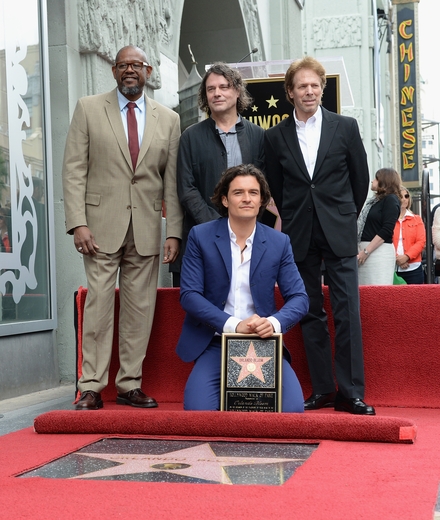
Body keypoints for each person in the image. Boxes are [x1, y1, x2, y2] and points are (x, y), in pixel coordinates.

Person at [62, 45, 183, 410]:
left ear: (148, 72)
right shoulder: (88, 108)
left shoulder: (169, 119)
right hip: (99, 229)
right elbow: (73, 170)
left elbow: (171, 181)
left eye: (137, 65)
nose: (130, 70)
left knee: (139, 309)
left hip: (146, 228)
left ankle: (130, 383)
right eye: (123, 65)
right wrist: (77, 223)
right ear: (114, 71)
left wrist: (173, 231)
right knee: (98, 304)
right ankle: (91, 387)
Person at [264, 56, 375, 415]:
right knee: (310, 311)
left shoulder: (345, 127)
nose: (309, 91)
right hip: (299, 234)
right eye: (301, 86)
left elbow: (360, 181)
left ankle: (351, 392)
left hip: (338, 231)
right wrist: (297, 218)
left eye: (315, 85)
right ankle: (323, 389)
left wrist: (342, 216)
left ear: (322, 89)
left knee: (347, 312)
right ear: (290, 93)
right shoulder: (275, 136)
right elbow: (276, 190)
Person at [176, 164, 309, 412]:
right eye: (238, 193)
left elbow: (300, 298)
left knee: (293, 412)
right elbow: (190, 296)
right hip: (216, 342)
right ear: (225, 200)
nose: (246, 198)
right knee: (198, 413)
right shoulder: (200, 236)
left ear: (262, 201)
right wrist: (234, 325)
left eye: (253, 193)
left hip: (264, 342)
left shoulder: (279, 242)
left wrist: (274, 323)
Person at [175, 62, 265, 286]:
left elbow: (263, 188)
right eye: (210, 89)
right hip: (201, 238)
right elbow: (186, 189)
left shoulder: (259, 136)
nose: (217, 93)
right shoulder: (190, 137)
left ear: (236, 91)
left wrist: (243, 225)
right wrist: (216, 225)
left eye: (224, 87)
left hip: (248, 240)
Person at [358, 168, 401, 285]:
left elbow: (386, 230)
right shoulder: (374, 201)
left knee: (377, 293)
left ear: (384, 181)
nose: (372, 181)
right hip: (365, 252)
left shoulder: (391, 200)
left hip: (378, 253)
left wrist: (366, 251)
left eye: (376, 178)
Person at [392, 186, 426, 284]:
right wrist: (397, 259)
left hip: (414, 269)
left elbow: (421, 241)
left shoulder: (417, 219)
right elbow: (386, 240)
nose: (404, 199)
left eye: (406, 196)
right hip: (393, 268)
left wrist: (406, 257)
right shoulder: (389, 220)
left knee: (416, 298)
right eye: (400, 196)